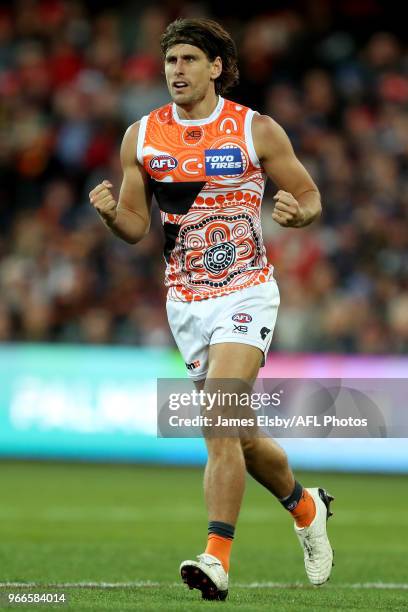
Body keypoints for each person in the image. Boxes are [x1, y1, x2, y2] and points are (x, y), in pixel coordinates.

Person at [89, 17, 334, 601]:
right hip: (185, 302)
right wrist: (108, 215)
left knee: (218, 420)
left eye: (190, 60)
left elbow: (309, 195)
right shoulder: (141, 136)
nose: (177, 71)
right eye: (171, 61)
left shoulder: (255, 130)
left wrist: (301, 214)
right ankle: (306, 506)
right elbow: (134, 227)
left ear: (216, 67)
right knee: (239, 438)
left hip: (246, 292)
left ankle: (216, 558)